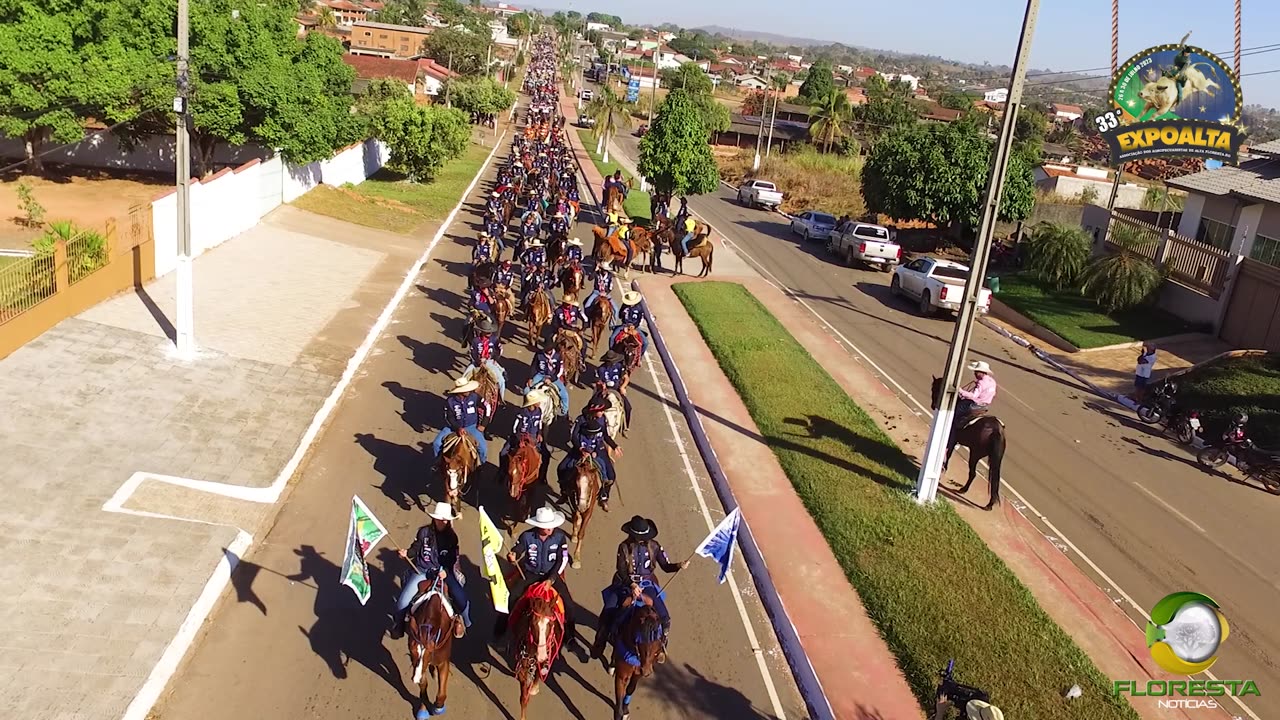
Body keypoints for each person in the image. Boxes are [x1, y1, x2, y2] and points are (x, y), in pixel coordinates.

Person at [591, 515, 687, 662]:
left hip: (647, 585)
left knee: (665, 618)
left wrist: (678, 565)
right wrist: (632, 584)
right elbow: (621, 570)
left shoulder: (655, 546)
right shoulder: (623, 547)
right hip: (625, 584)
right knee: (608, 612)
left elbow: (666, 566)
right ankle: (600, 641)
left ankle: (661, 647)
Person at [391, 502, 471, 640]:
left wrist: (446, 571)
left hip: (443, 573)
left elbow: (452, 558)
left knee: (461, 598)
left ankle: (464, 621)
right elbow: (415, 548)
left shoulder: (452, 537)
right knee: (402, 603)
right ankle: (399, 626)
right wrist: (407, 553)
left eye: (446, 519)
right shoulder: (424, 532)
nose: (444, 521)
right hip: (422, 571)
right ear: (434, 518)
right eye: (441, 519)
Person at [496, 506, 577, 642]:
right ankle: (502, 628)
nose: (550, 528)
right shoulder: (527, 536)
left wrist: (551, 579)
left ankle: (570, 637)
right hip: (530, 573)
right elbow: (519, 548)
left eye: (551, 525)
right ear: (539, 526)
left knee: (569, 606)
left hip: (551, 575)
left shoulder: (560, 538)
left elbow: (562, 560)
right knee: (511, 598)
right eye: (547, 526)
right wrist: (514, 554)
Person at [559, 399, 620, 509]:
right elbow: (574, 436)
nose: (602, 413)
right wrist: (581, 448)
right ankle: (564, 492)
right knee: (561, 468)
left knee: (611, 475)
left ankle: (604, 496)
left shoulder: (603, 419)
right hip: (580, 449)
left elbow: (605, 435)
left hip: (598, 449)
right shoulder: (581, 419)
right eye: (601, 411)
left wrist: (614, 445)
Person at [432, 378, 489, 461]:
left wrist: (483, 424)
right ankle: (437, 463)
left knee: (483, 449)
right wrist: (457, 428)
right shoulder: (450, 401)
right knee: (436, 444)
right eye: (466, 389)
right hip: (452, 428)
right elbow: (449, 417)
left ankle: (481, 467)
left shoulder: (475, 397)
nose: (469, 391)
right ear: (460, 391)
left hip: (471, 427)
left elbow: (487, 407)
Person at [501, 390, 551, 472]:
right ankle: (502, 472)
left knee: (546, 455)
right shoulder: (521, 413)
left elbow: (540, 424)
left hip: (534, 438)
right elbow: (515, 428)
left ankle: (542, 476)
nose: (539, 403)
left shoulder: (539, 412)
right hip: (520, 437)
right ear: (532, 403)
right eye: (537, 401)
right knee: (503, 453)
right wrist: (519, 439)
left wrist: (539, 434)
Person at [950, 360, 997, 447]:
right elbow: (993, 393)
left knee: (955, 412)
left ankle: (952, 438)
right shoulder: (992, 381)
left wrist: (961, 391)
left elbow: (974, 395)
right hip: (985, 406)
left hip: (975, 406)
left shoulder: (981, 383)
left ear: (981, 372)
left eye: (976, 372)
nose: (975, 373)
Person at [461, 316, 507, 400]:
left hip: (489, 362)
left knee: (501, 381)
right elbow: (472, 352)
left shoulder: (494, 339)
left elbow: (499, 349)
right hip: (476, 363)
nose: (490, 333)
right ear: (482, 331)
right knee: (464, 378)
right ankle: (461, 396)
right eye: (487, 332)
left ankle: (501, 399)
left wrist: (495, 359)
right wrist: (479, 361)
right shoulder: (476, 340)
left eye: (490, 332)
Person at [527, 339, 571, 416]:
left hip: (553, 376)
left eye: (550, 349)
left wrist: (552, 379)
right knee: (526, 390)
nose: (549, 351)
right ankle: (527, 409)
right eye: (547, 349)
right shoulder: (539, 354)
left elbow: (560, 370)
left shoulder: (557, 356)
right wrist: (531, 378)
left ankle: (564, 412)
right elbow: (534, 366)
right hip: (541, 375)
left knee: (564, 395)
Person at [595, 349, 632, 426]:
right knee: (593, 405)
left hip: (617, 389)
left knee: (628, 408)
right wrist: (602, 385)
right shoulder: (600, 369)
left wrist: (622, 387)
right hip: (605, 390)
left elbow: (626, 378)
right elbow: (598, 381)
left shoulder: (619, 367)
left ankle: (625, 426)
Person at [611, 290, 648, 357]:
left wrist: (634, 326)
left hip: (635, 327)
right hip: (624, 325)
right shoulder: (625, 306)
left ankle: (639, 357)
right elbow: (620, 316)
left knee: (645, 343)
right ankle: (611, 353)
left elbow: (640, 319)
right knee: (612, 338)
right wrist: (623, 313)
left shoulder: (640, 308)